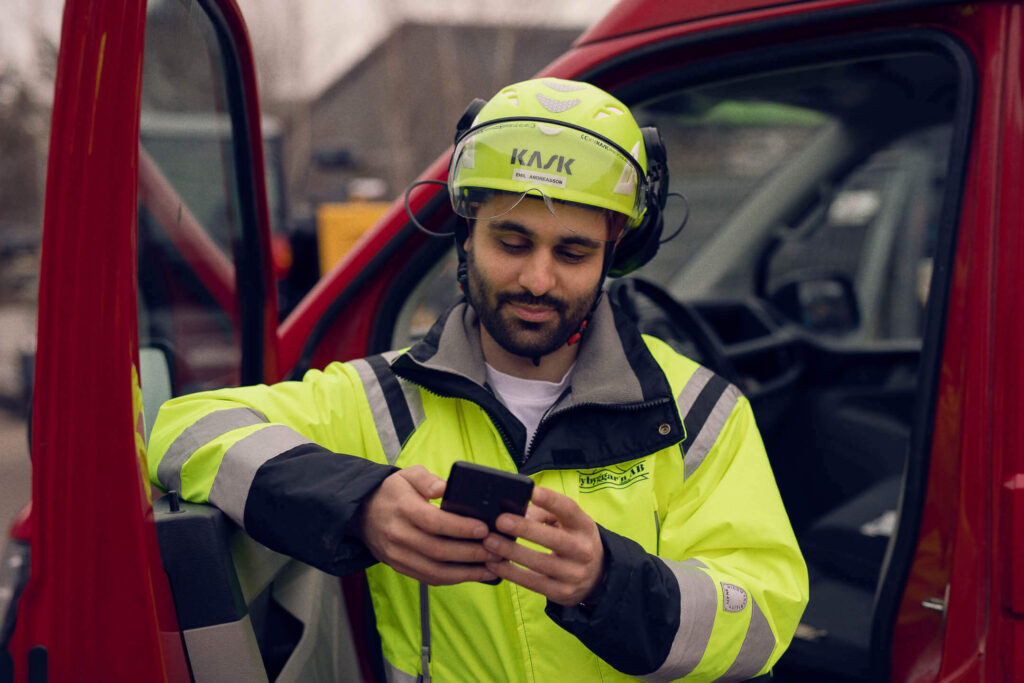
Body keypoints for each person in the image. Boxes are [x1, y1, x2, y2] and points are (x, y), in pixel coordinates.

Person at [149, 78, 808, 682]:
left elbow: (763, 618)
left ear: (615, 249)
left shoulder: (697, 412)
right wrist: (362, 504)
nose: (538, 280)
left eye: (573, 251)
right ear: (465, 234)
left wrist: (608, 581)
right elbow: (184, 429)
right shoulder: (381, 401)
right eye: (512, 243)